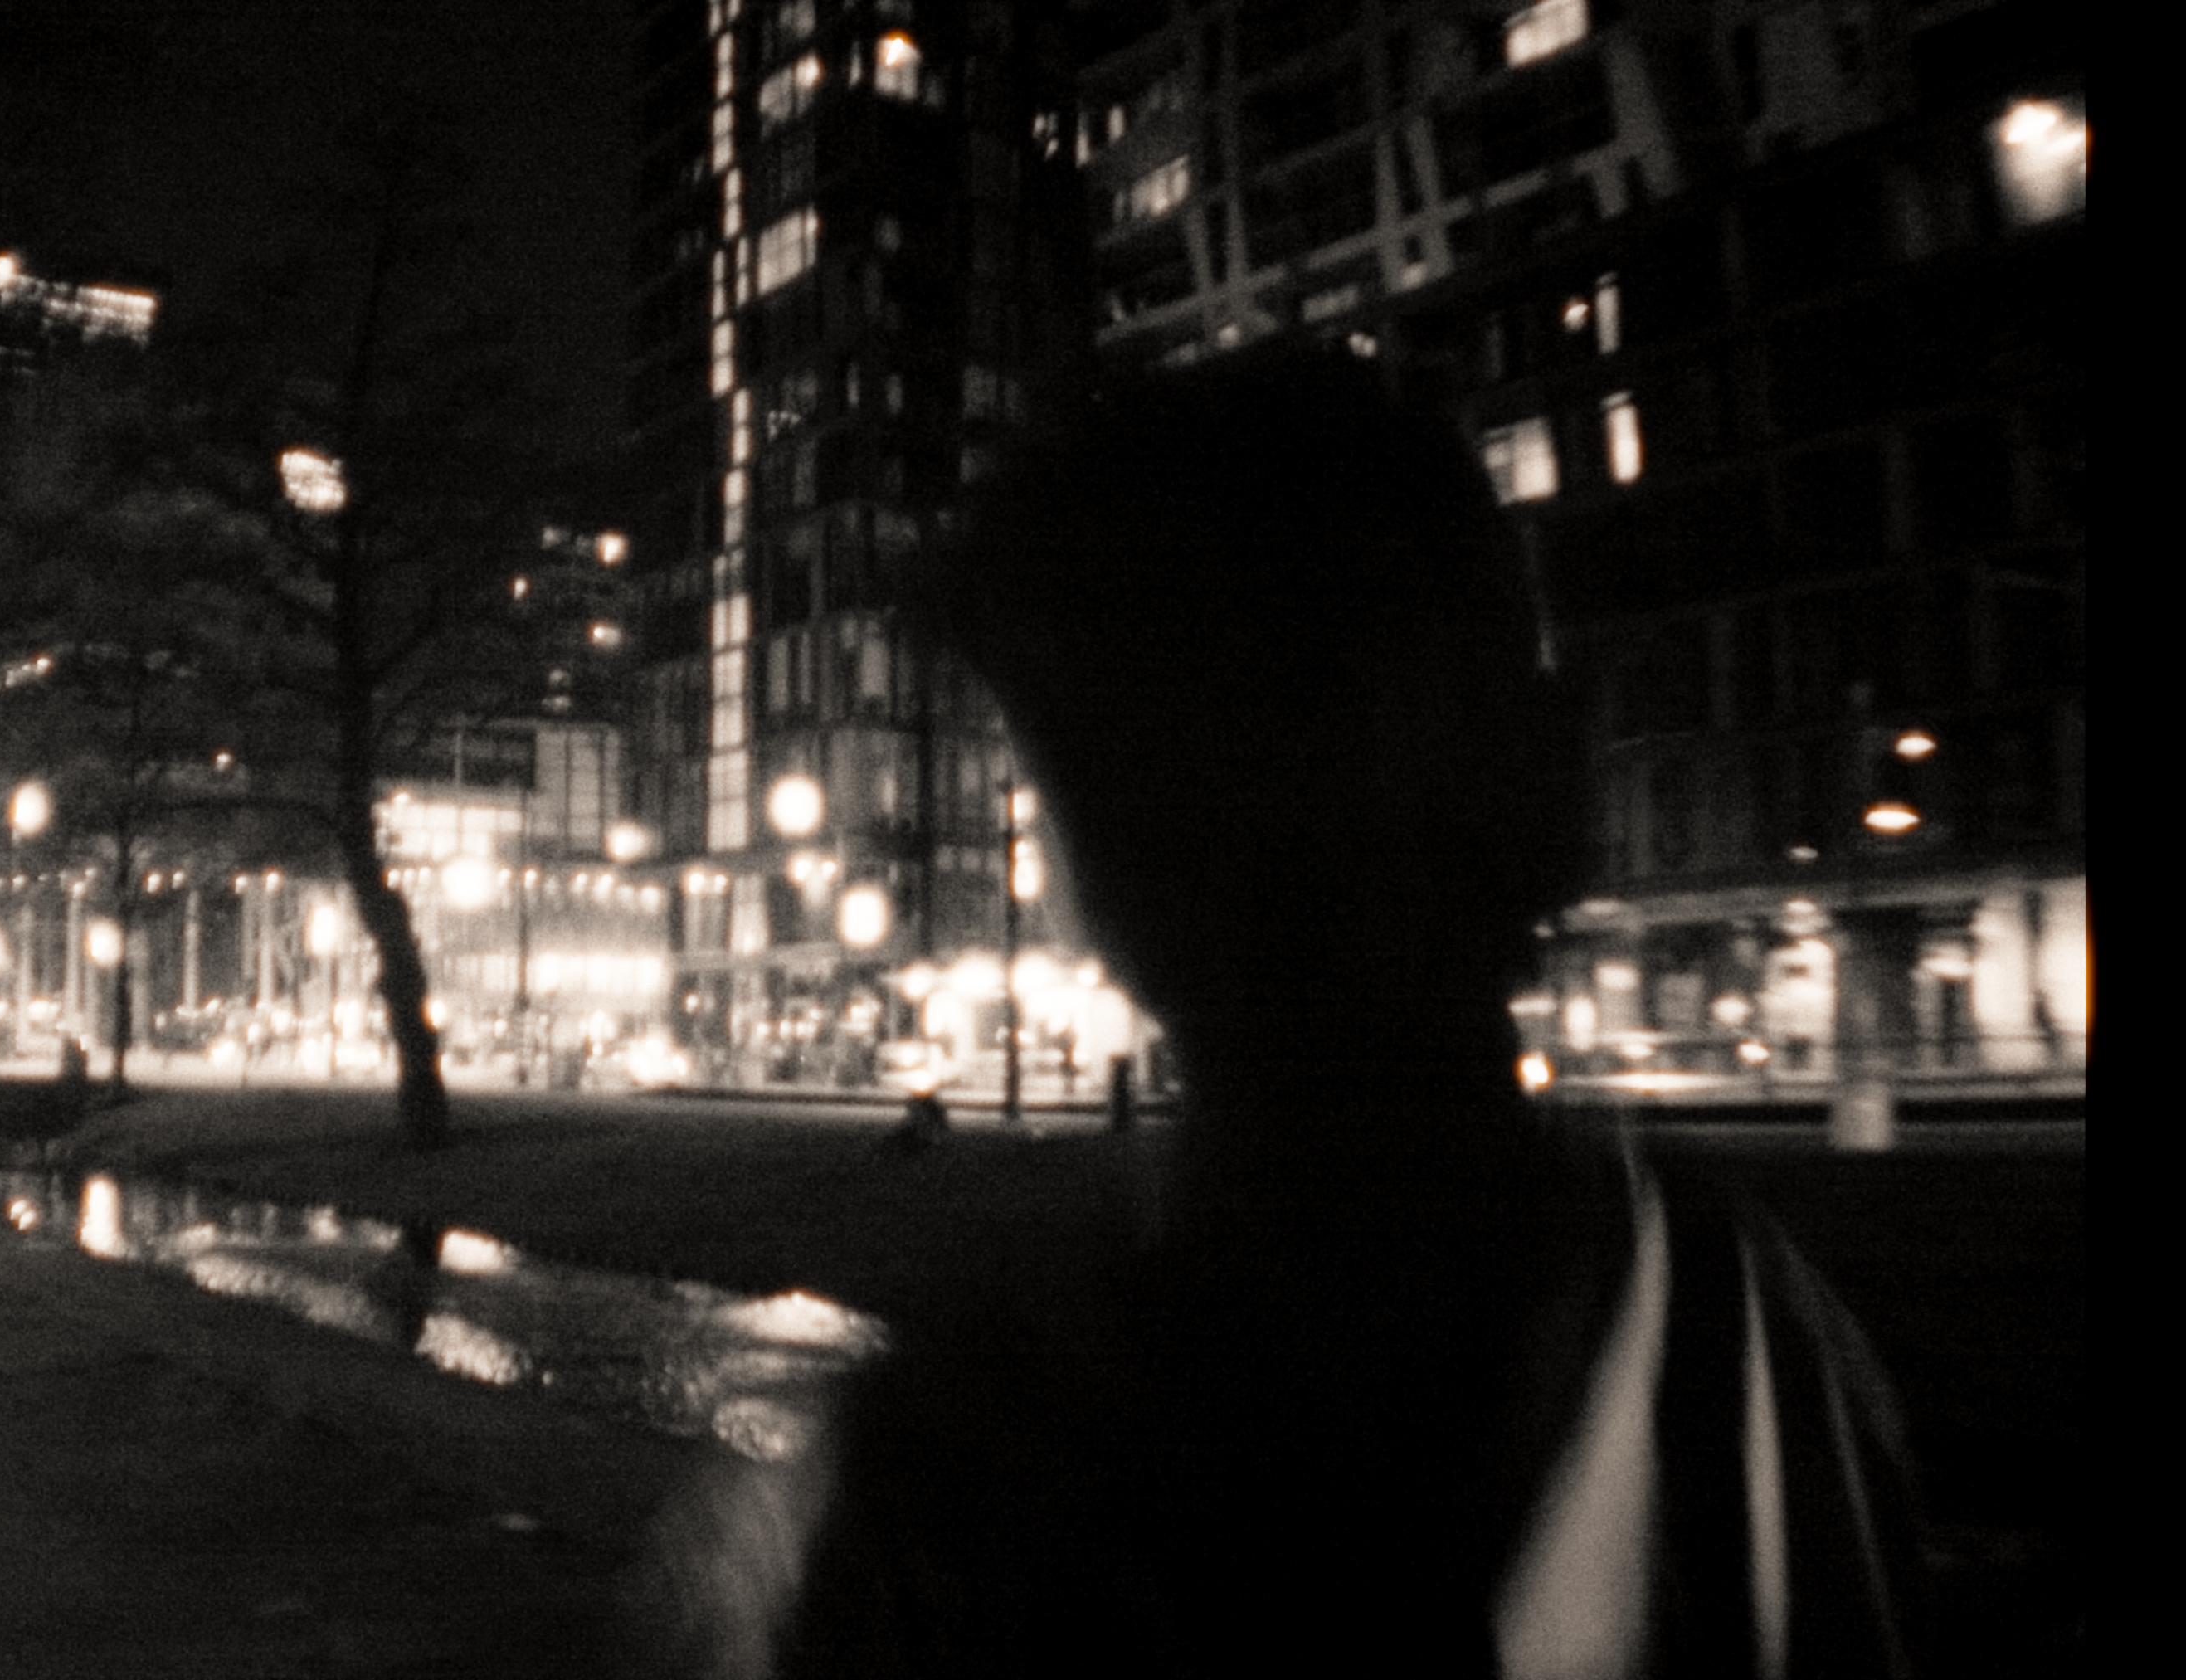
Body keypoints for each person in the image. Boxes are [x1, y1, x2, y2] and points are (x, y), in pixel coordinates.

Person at [633, 354, 1919, 1678]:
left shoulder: (954, 1486)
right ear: (1538, 764)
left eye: (1039, 789)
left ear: (1110, 875)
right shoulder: (1745, 1334)